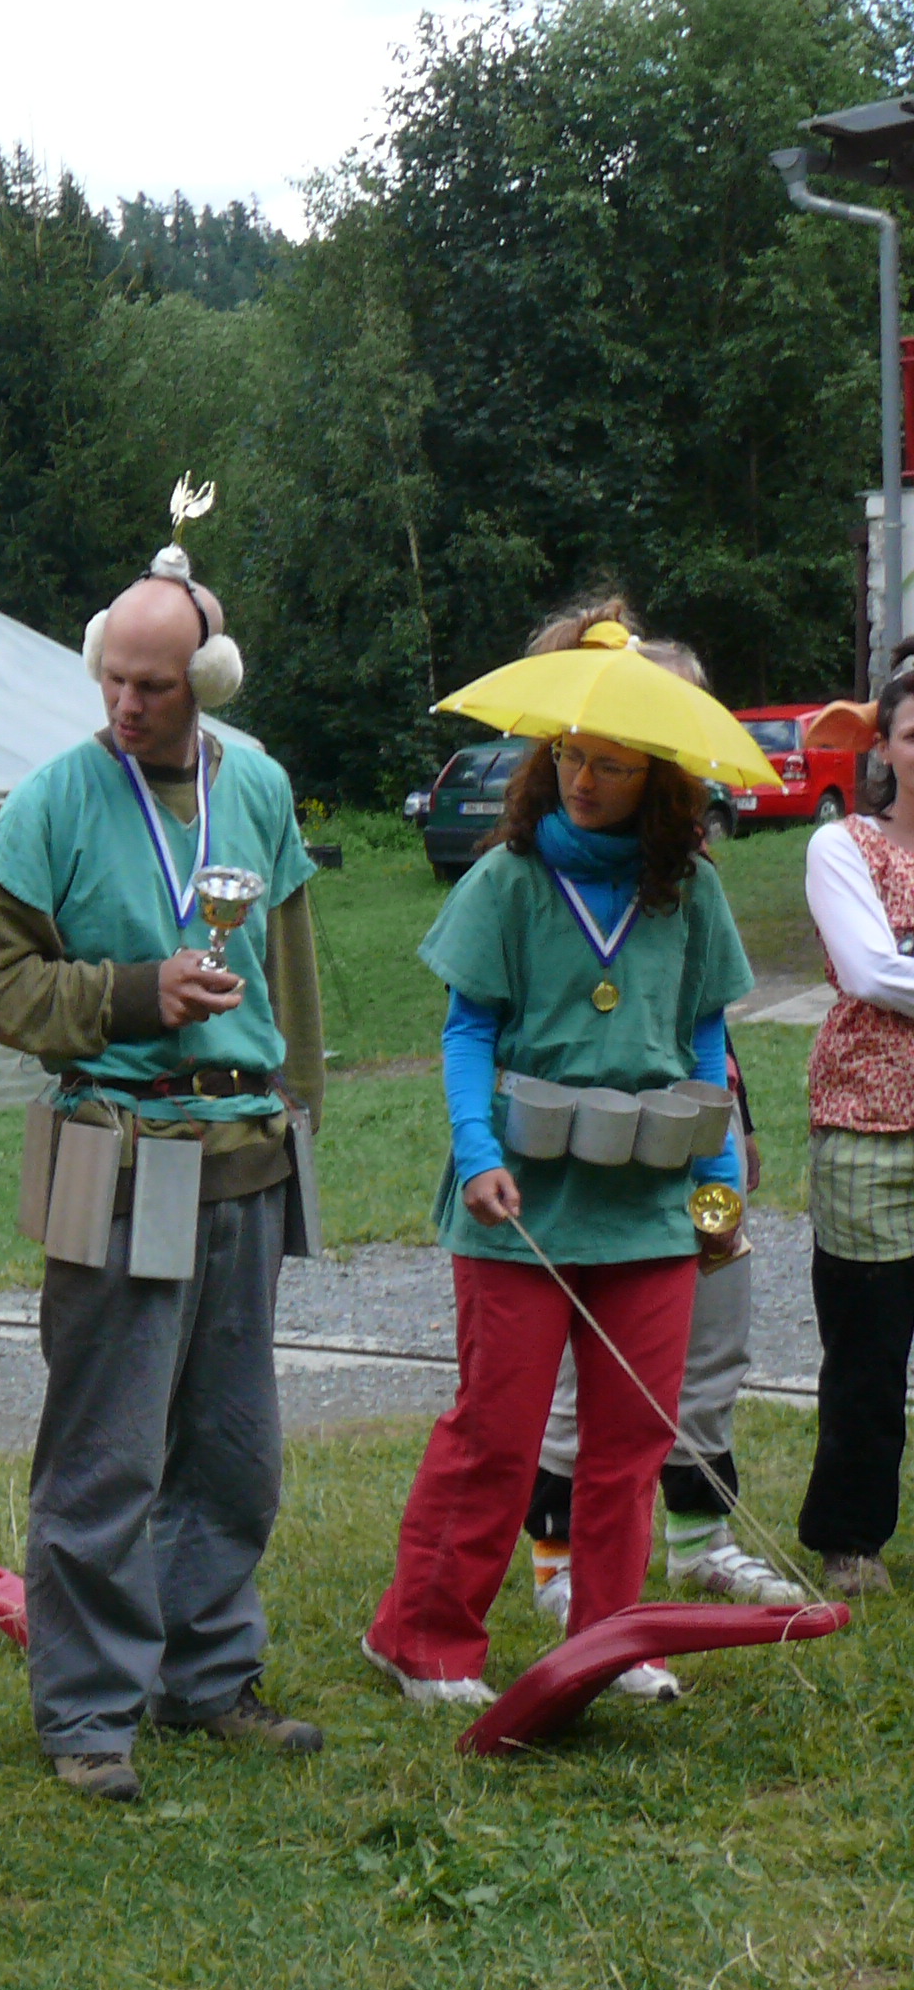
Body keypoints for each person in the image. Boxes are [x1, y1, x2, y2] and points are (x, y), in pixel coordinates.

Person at [0, 539, 326, 1803]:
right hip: (118, 1161)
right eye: (112, 677)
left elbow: (289, 971)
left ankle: (207, 1677)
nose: (125, 703)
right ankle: (89, 1712)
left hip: (244, 1159)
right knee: (106, 1454)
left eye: (153, 686)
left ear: (205, 683)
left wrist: (300, 1110)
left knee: (235, 1450)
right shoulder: (54, 799)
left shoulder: (257, 785)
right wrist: (130, 994)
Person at [358, 605, 751, 1709]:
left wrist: (718, 1185)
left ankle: (611, 1644)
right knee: (498, 1431)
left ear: (657, 778)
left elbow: (706, 1039)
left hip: (650, 1202)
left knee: (632, 1440)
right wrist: (476, 1151)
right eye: (572, 756)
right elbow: (465, 1032)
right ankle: (422, 1639)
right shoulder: (507, 879)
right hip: (519, 1200)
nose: (584, 780)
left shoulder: (693, 892)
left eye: (612, 765)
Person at [520, 642, 802, 1624]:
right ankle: (557, 1561)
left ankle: (701, 1541)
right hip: (592, 1160)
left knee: (714, 1337)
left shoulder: (690, 872)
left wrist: (733, 1148)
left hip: (698, 1143)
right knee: (586, 1364)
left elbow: (707, 1031)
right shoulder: (549, 872)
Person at [798, 658, 914, 1596]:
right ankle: (851, 1540)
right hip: (869, 1127)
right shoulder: (842, 848)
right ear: (883, 748)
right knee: (870, 1351)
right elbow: (871, 972)